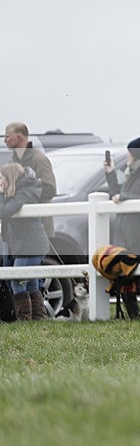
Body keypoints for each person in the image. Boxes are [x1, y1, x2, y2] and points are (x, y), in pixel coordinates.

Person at [104, 136, 140, 319]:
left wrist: (126, 196)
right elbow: (117, 194)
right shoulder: (133, 172)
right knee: (126, 276)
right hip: (127, 235)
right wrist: (111, 173)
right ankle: (134, 317)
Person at [0, 163, 50, 320]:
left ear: (10, 177)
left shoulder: (25, 192)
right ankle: (37, 317)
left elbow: (4, 211)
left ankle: (24, 318)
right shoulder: (21, 191)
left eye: (1, 178)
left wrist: (1, 194)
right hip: (25, 244)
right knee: (30, 282)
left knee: (17, 278)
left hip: (31, 244)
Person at [4, 122, 57, 240]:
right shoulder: (12, 161)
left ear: (19, 137)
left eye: (7, 136)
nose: (4, 141)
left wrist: (24, 192)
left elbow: (50, 189)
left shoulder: (39, 160)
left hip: (39, 228)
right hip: (18, 231)